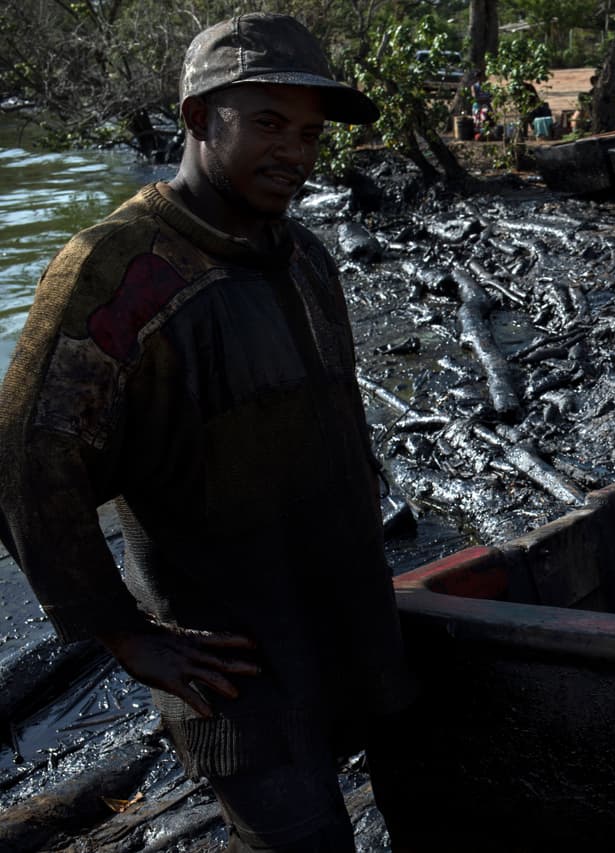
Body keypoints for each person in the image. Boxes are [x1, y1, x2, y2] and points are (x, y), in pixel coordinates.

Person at [0, 12, 425, 850]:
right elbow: (23, 456)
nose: (296, 153)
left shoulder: (301, 254)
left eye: (308, 133)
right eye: (268, 123)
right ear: (197, 119)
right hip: (232, 660)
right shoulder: (117, 270)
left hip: (350, 614)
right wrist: (123, 631)